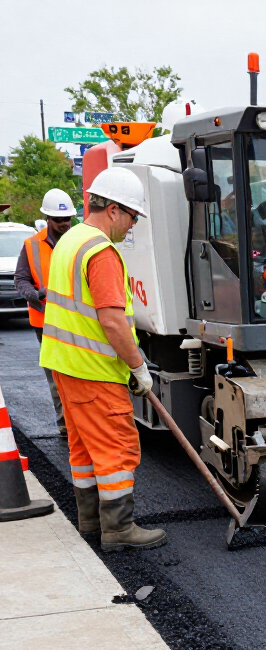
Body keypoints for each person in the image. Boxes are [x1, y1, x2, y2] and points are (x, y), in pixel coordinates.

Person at [38, 167, 167, 552]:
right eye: (131, 217)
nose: (131, 227)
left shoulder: (71, 239)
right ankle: (118, 529)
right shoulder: (101, 251)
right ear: (113, 209)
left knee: (83, 447)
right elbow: (111, 320)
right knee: (117, 446)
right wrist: (138, 366)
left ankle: (90, 521)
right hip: (93, 370)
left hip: (64, 364)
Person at [13, 188, 77, 435]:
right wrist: (35, 294)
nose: (64, 224)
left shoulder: (79, 243)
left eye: (67, 219)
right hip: (45, 320)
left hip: (76, 321)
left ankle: (79, 421)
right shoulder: (31, 245)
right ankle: (64, 424)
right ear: (48, 219)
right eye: (59, 219)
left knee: (77, 372)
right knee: (55, 376)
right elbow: (21, 279)